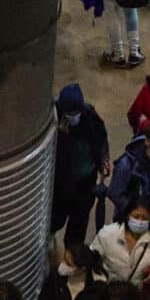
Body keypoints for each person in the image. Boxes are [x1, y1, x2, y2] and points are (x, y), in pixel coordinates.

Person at [50, 84, 110, 250]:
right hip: (60, 184)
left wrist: (104, 159)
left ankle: (72, 255)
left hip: (85, 184)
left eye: (77, 113)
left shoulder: (90, 117)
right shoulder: (53, 119)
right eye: (70, 113)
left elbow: (101, 140)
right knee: (55, 219)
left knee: (78, 224)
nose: (74, 116)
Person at [92, 195, 150, 300]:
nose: (140, 221)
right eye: (136, 216)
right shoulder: (107, 235)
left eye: (144, 218)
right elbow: (93, 259)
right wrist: (100, 284)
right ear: (127, 215)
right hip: (108, 296)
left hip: (136, 298)